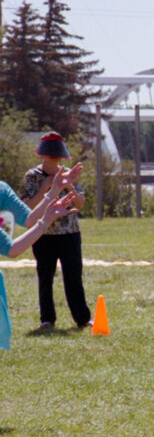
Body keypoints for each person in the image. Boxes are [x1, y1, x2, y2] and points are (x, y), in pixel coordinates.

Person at [20, 132, 90, 329]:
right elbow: (27, 207)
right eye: (50, 155)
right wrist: (47, 187)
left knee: (74, 277)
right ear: (43, 155)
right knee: (45, 277)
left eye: (57, 155)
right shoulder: (32, 176)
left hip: (70, 233)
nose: (54, 159)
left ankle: (83, 319)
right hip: (43, 234)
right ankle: (47, 320)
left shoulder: (68, 173)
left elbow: (80, 204)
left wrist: (70, 186)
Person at [1, 175, 80, 348]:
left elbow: (29, 219)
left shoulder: (2, 189)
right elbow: (12, 249)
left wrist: (53, 192)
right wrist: (44, 222)